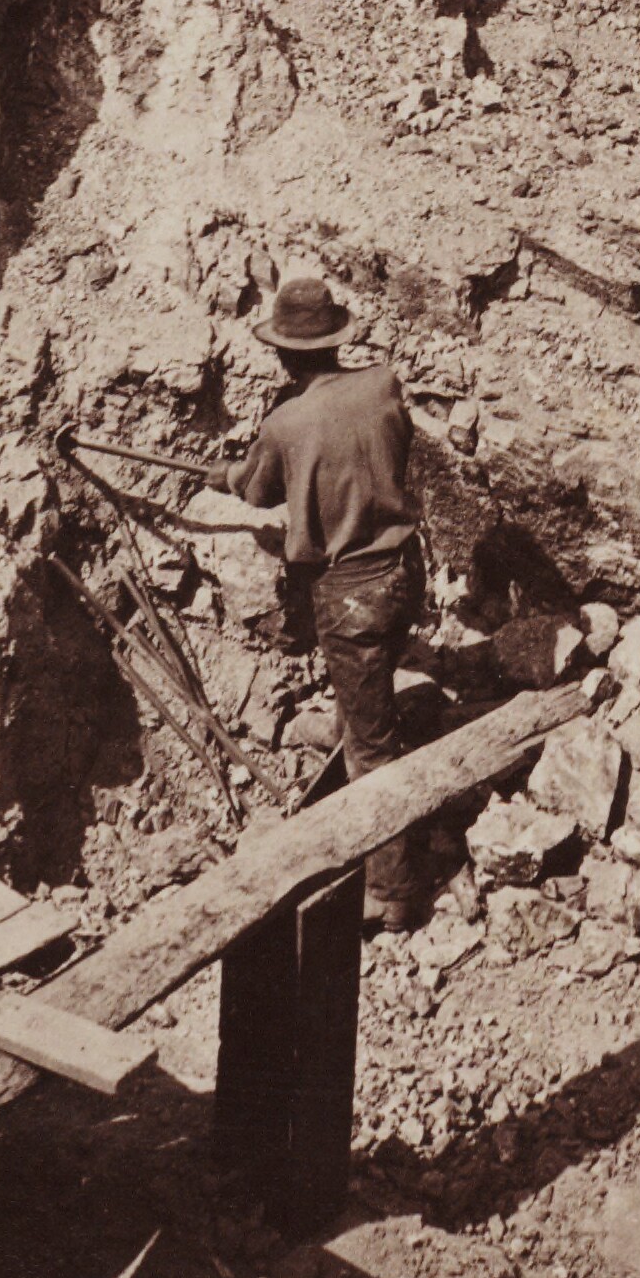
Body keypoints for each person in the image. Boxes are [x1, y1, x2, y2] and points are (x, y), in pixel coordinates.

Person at [184, 268, 442, 930]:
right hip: (404, 575)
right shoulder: (382, 384)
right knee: (374, 706)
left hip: (351, 594)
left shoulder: (285, 423)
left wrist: (231, 474)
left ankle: (392, 894)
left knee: (372, 750)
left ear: (283, 352)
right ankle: (374, 747)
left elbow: (257, 491)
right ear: (334, 339)